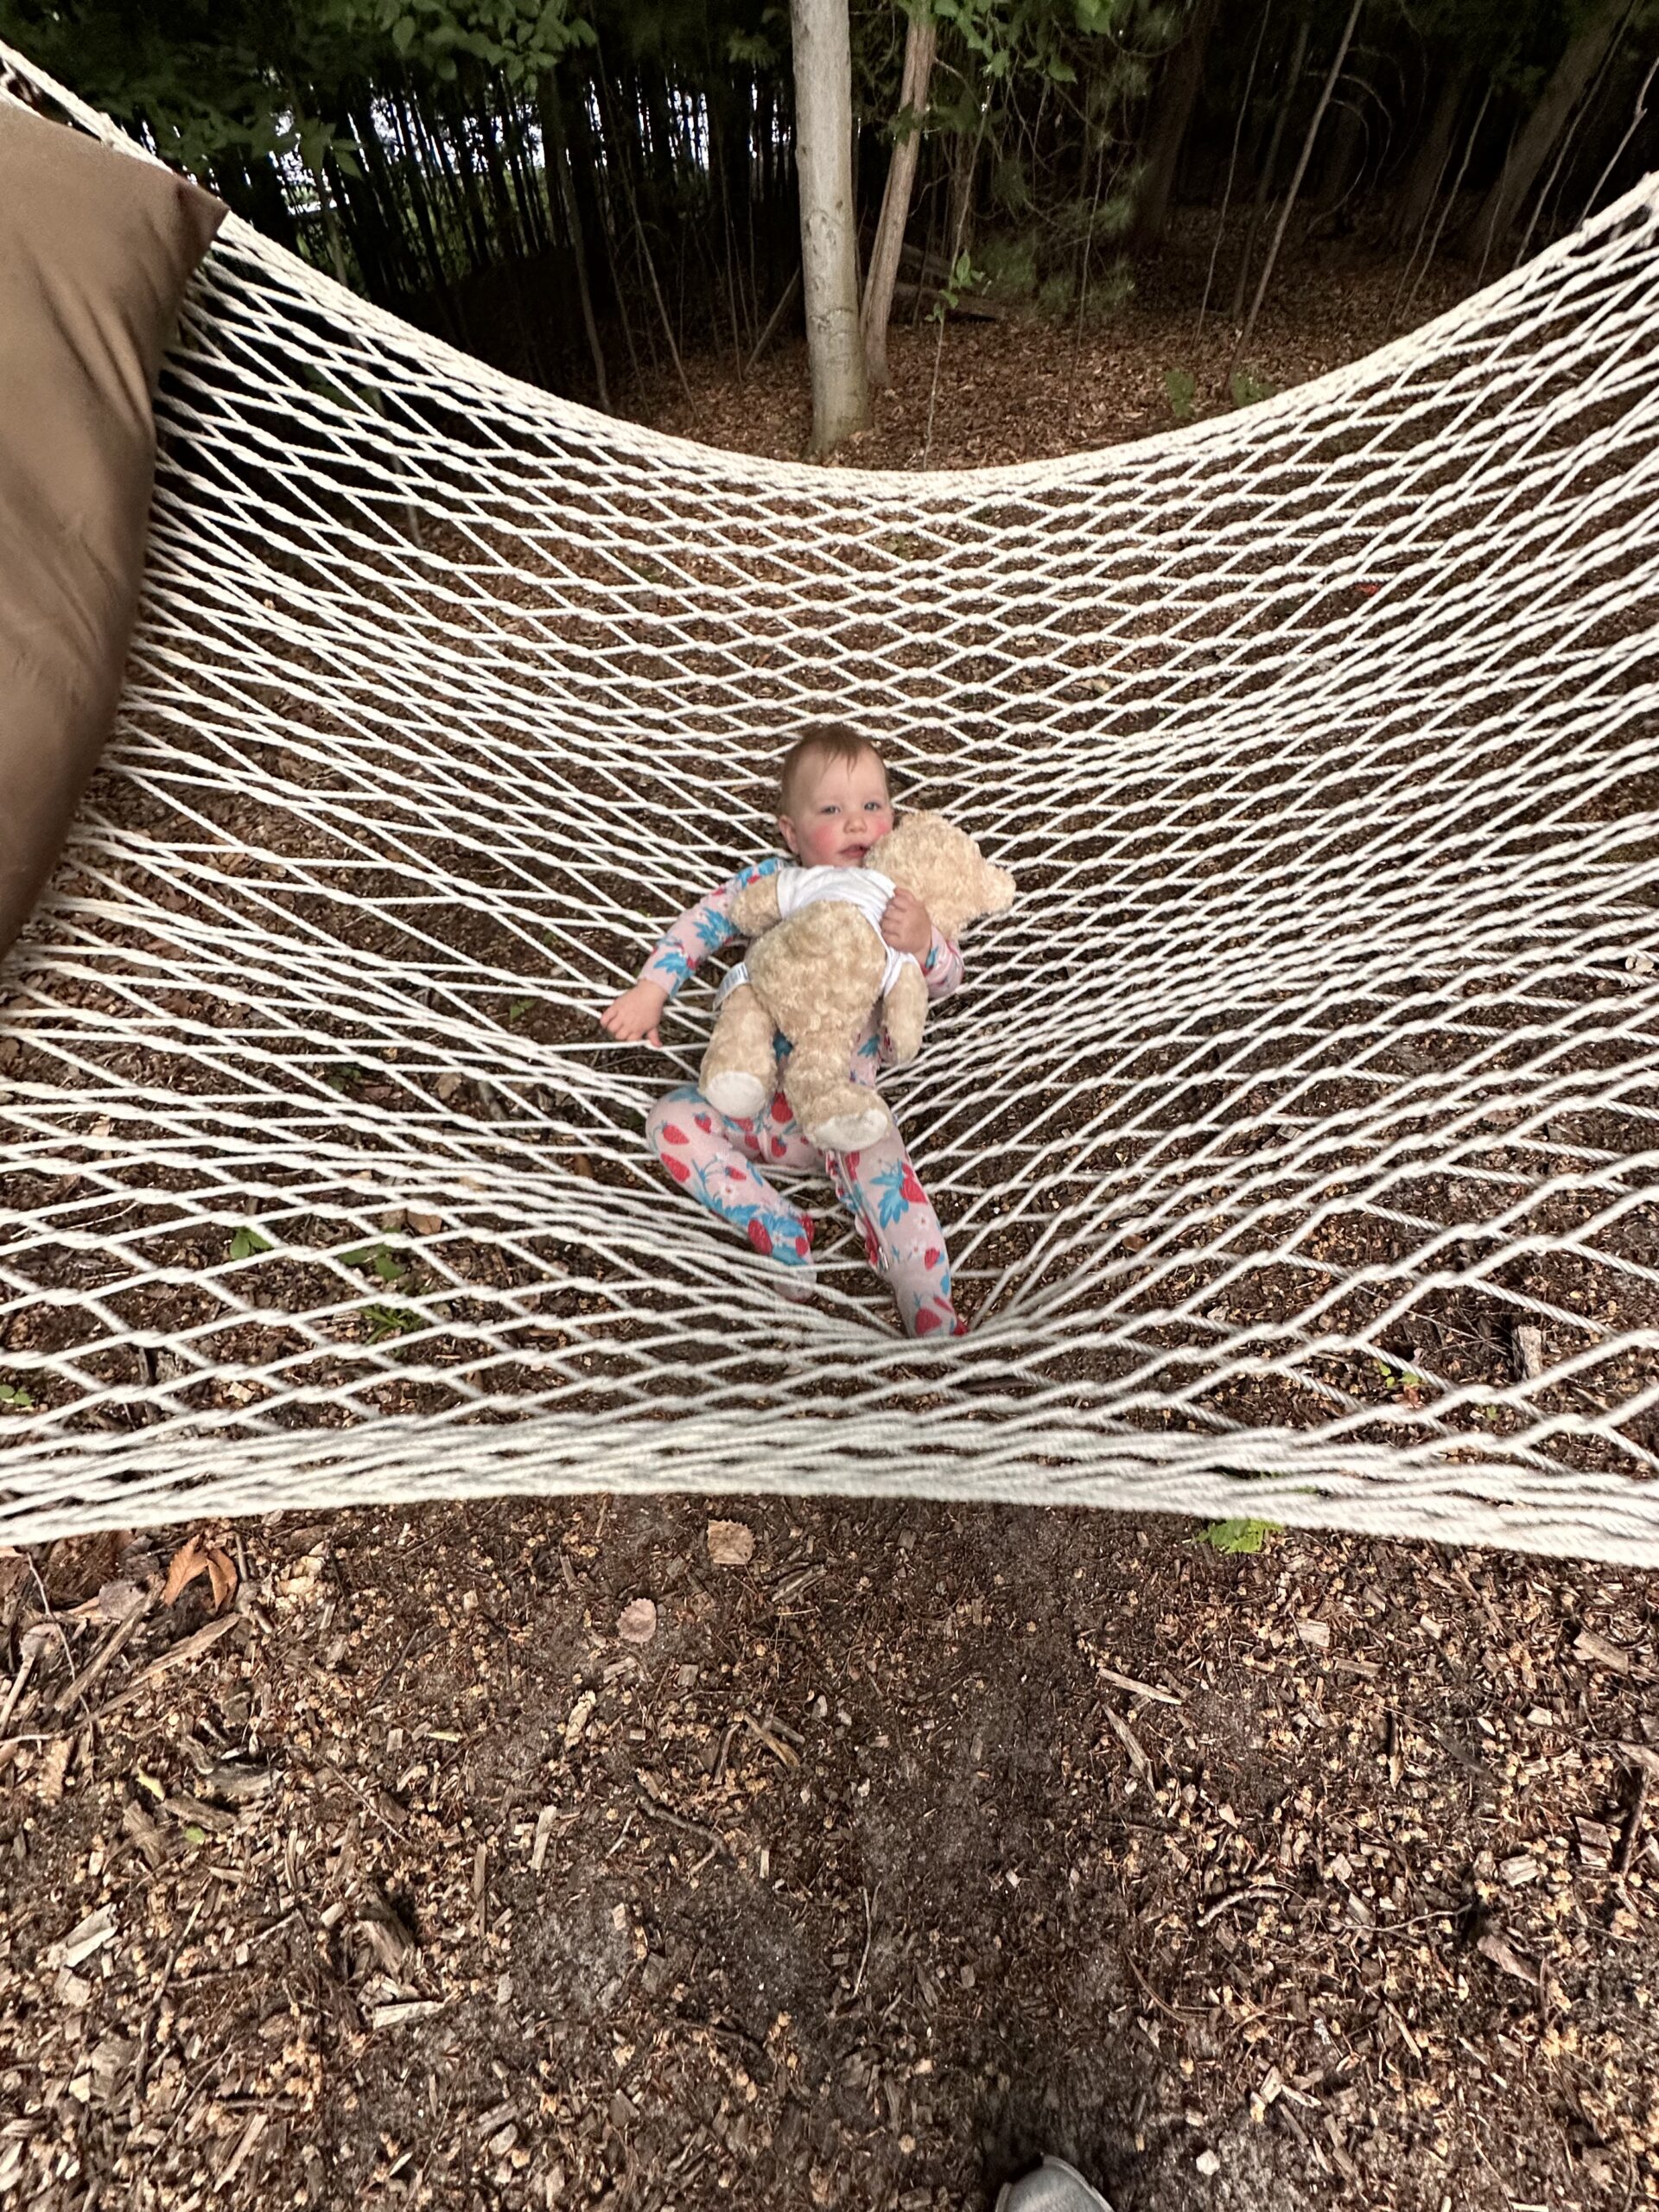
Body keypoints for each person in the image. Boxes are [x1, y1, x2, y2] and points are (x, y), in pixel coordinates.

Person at [599, 722, 968, 1337]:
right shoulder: (776, 884)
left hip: (844, 1108)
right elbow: (708, 920)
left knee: (891, 1185)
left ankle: (927, 1299)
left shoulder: (897, 899)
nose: (856, 823)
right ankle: (777, 1226)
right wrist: (652, 988)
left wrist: (924, 940)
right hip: (756, 1103)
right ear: (792, 833)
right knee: (670, 1121)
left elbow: (948, 977)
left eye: (872, 806)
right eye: (831, 810)